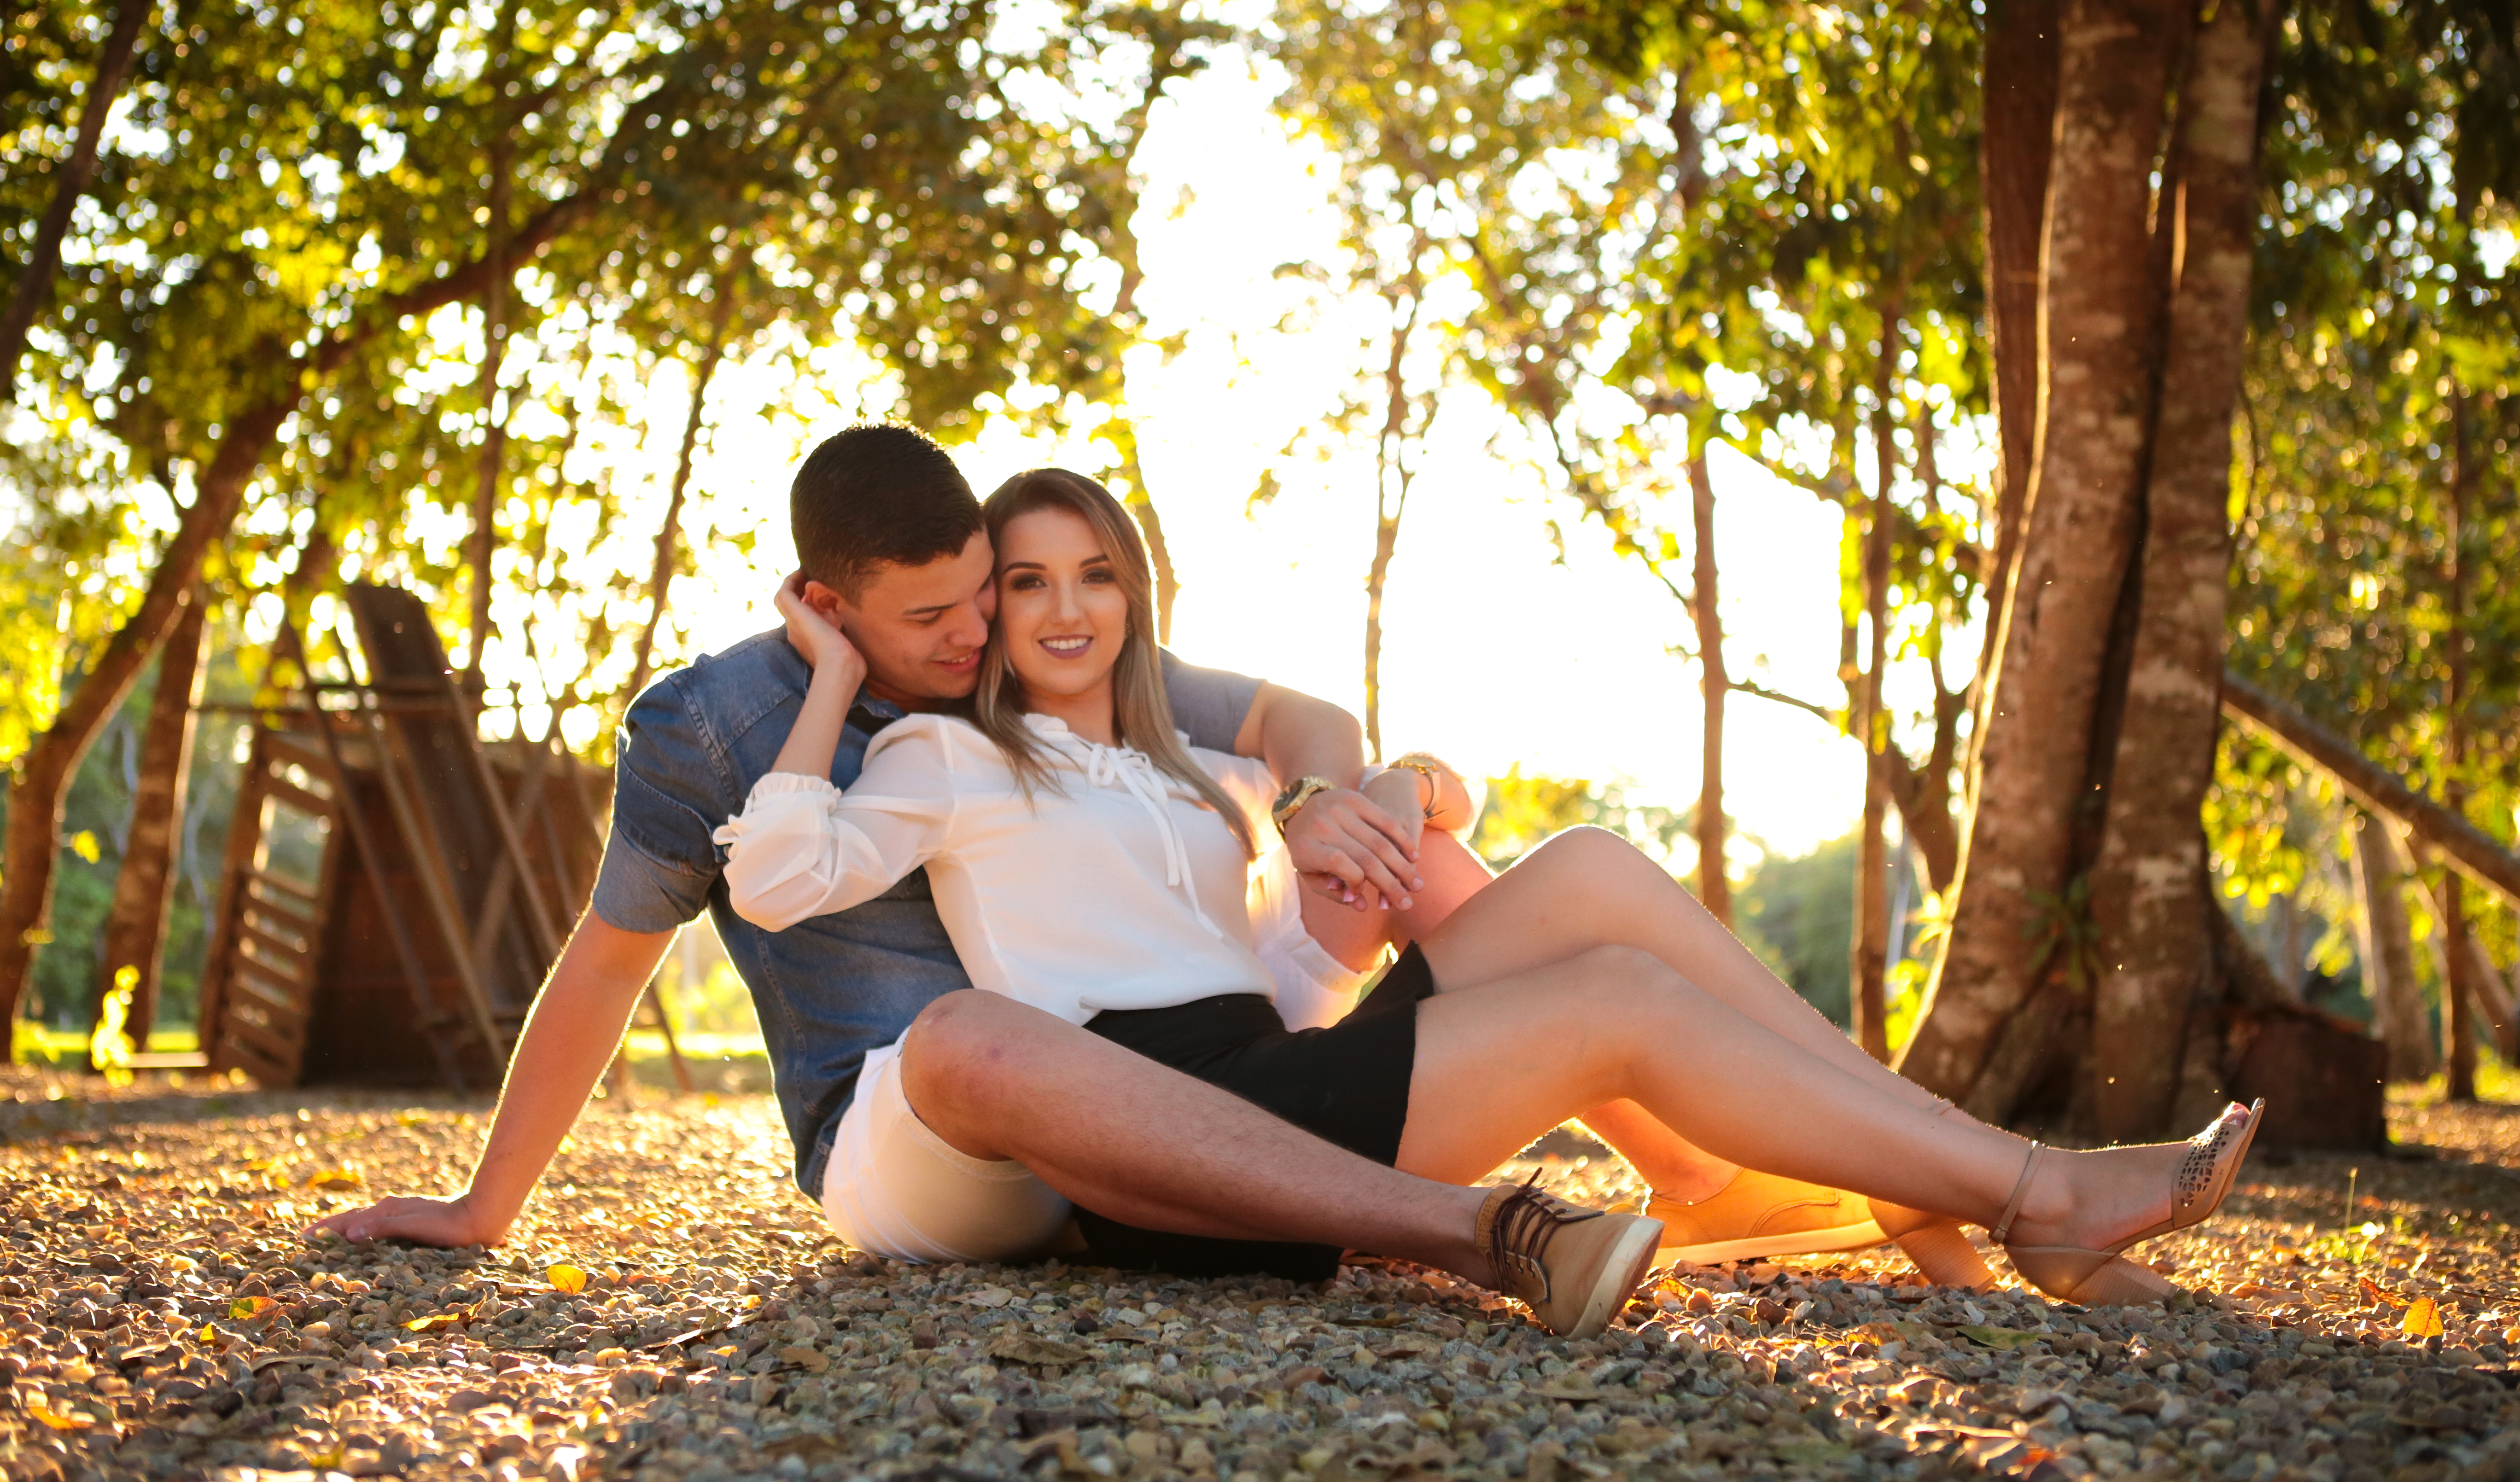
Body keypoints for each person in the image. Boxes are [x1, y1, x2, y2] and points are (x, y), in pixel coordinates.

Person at [315, 425, 1871, 1337]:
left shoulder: (1041, 666)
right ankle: (1474, 1227)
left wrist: (1344, 796)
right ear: (826, 606)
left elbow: (1289, 721)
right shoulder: (716, 730)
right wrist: (485, 1203)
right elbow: (608, 956)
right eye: (935, 618)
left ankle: (1764, 1161)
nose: (978, 639)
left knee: (1489, 864)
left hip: (1152, 1073)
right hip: (925, 1125)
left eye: (987, 599)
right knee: (979, 1051)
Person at [715, 464, 2265, 1316]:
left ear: (1138, 593)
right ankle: (2025, 1195)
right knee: (1617, 1011)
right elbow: (782, 880)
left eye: (1094, 573)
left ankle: (1951, 1175)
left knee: (1588, 869)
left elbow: (1320, 875)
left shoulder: (1194, 766)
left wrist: (1371, 801)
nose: (1063, 608)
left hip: (1282, 1055)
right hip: (1176, 1118)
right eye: (1027, 582)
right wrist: (833, 670)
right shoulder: (943, 754)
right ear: (986, 612)